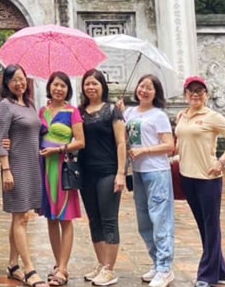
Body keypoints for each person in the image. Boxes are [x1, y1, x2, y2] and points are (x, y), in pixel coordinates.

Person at [175, 76, 225, 287]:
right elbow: (181, 144)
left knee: (211, 225)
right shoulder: (181, 116)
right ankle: (221, 272)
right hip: (187, 177)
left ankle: (206, 275)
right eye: (191, 90)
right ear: (185, 94)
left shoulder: (212, 117)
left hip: (208, 179)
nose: (195, 94)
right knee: (203, 226)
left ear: (206, 94)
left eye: (199, 90)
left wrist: (221, 161)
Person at [0, 64, 48, 287]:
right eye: (14, 79)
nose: (19, 82)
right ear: (6, 83)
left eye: (22, 78)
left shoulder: (29, 104)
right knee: (20, 218)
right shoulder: (6, 106)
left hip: (32, 165)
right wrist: (6, 169)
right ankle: (29, 269)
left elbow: (37, 132)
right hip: (15, 166)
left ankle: (13, 265)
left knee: (22, 217)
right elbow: (0, 139)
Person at [123, 74, 175, 287]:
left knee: (160, 218)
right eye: (141, 86)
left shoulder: (159, 115)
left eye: (149, 88)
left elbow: (169, 146)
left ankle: (165, 268)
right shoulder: (129, 112)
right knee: (144, 221)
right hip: (137, 172)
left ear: (156, 93)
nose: (144, 90)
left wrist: (145, 150)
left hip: (157, 171)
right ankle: (156, 261)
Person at [78, 69, 126, 287]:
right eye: (87, 84)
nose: (91, 87)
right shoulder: (79, 112)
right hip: (86, 173)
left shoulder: (112, 111)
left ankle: (110, 269)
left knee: (109, 219)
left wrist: (121, 173)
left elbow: (121, 143)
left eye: (95, 84)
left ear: (102, 87)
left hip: (108, 172)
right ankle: (101, 263)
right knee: (94, 219)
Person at [38, 71, 85, 287]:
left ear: (68, 89)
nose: (59, 89)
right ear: (49, 87)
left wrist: (59, 149)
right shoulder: (42, 111)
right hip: (43, 168)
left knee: (65, 218)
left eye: (63, 86)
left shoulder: (72, 112)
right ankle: (58, 264)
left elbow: (80, 141)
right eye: (55, 85)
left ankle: (64, 268)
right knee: (51, 217)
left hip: (62, 167)